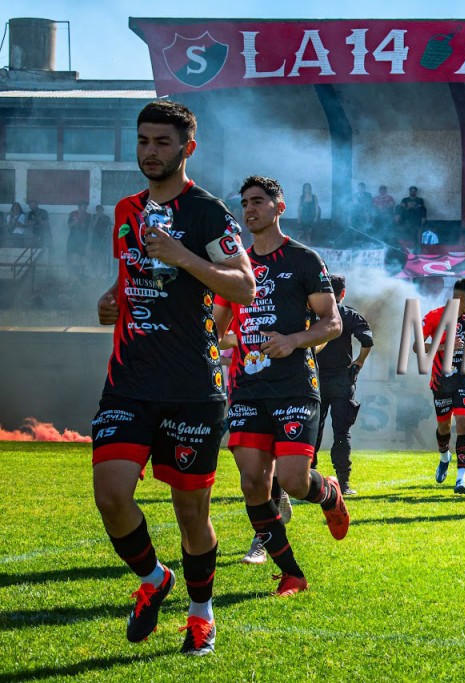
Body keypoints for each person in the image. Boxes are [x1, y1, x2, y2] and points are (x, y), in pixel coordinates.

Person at [91, 100, 255, 656]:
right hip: (129, 380)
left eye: (162, 142)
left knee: (192, 515)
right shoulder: (125, 210)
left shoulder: (209, 214)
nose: (150, 152)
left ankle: (200, 613)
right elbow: (130, 277)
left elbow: (243, 288)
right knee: (111, 496)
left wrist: (185, 257)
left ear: (188, 147)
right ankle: (153, 579)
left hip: (192, 387)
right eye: (143, 141)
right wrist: (111, 300)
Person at [212, 175, 347, 598]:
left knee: (291, 480)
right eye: (245, 203)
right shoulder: (236, 268)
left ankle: (327, 493)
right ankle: (292, 574)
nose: (249, 209)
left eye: (258, 201)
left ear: (278, 207)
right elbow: (217, 329)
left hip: (294, 386)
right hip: (248, 388)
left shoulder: (304, 259)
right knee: (253, 483)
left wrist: (292, 340)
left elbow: (333, 322)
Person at [314, 274, 374, 496]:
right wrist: (358, 362)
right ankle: (344, 483)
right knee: (341, 433)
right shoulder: (348, 314)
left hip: (314, 379)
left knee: (312, 431)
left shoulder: (313, 313)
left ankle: (307, 479)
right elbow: (367, 341)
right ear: (343, 293)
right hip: (341, 379)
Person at [421, 278, 465, 495]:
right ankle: (444, 456)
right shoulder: (435, 315)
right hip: (441, 381)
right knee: (444, 427)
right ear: (460, 298)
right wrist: (445, 346)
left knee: (463, 424)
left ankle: (461, 478)